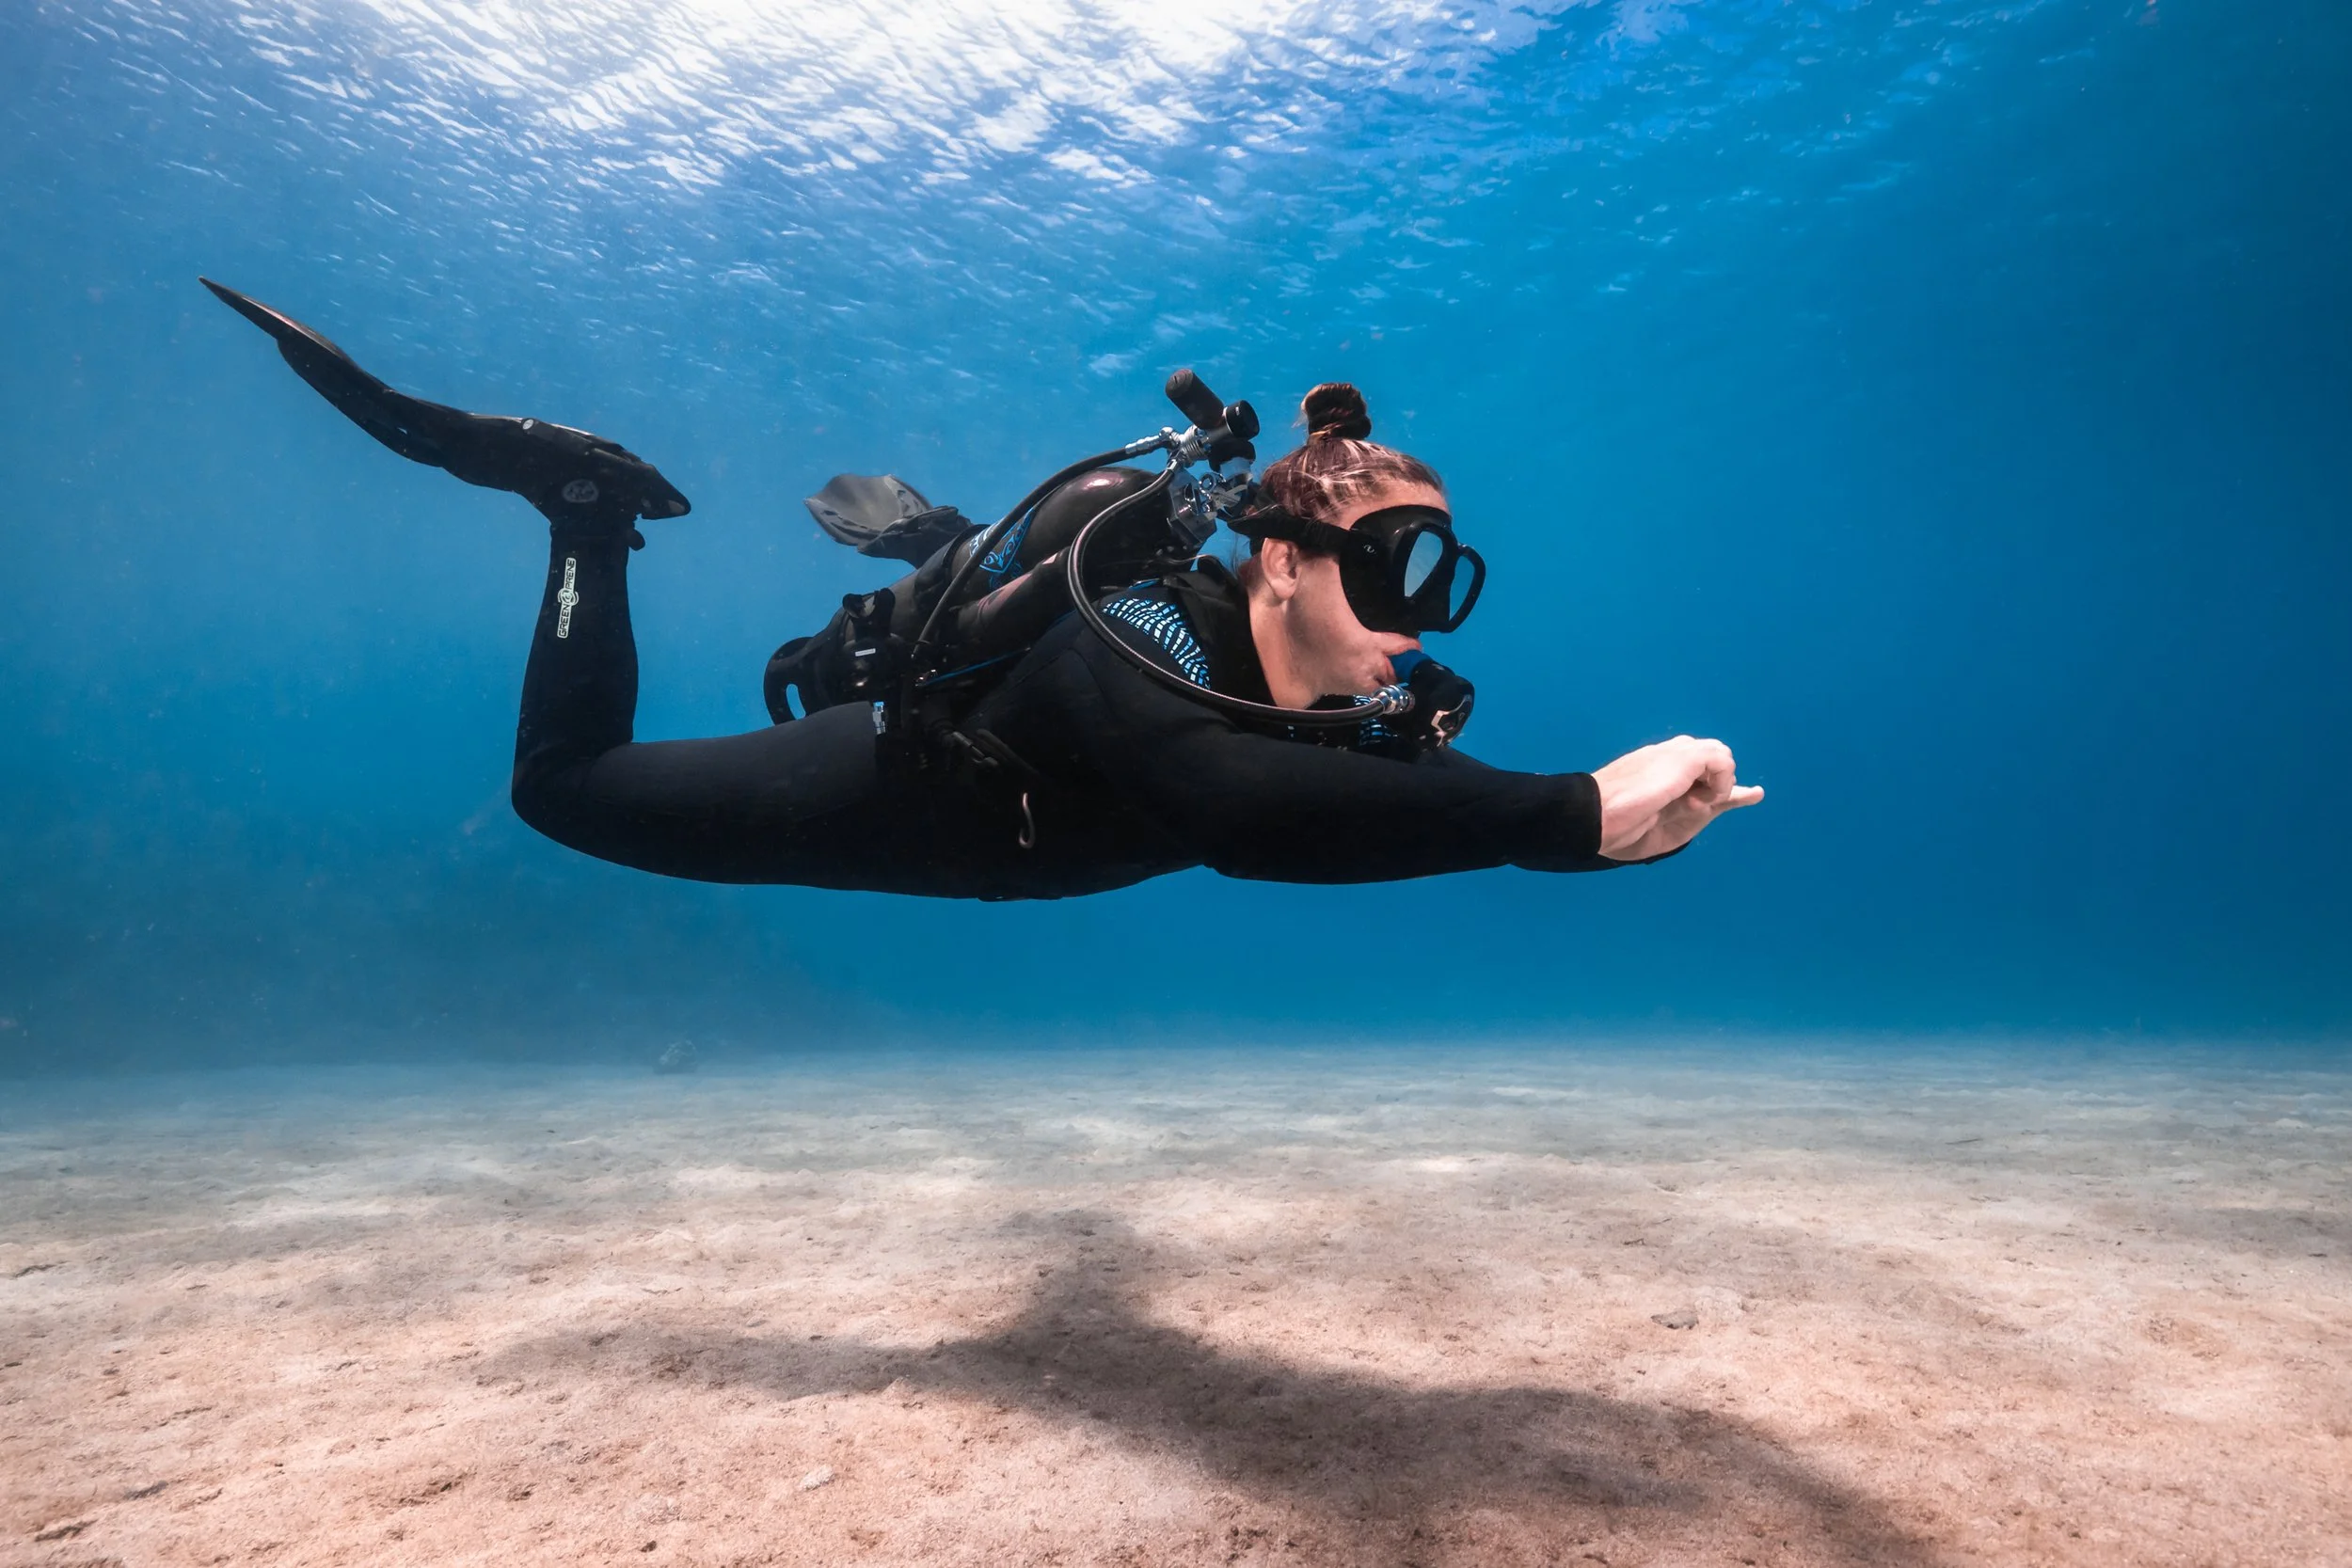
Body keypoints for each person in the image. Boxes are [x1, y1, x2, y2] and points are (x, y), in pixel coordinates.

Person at [202, 278, 1762, 900]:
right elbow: (1233, 811)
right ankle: (584, 510)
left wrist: (1605, 832)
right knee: (562, 791)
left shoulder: (1360, 678)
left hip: (1031, 747)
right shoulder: (1145, 636)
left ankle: (936, 541)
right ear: (1278, 561)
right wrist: (1570, 813)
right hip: (905, 782)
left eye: (1438, 573)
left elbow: (1415, 802)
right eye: (1387, 565)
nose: (1417, 617)